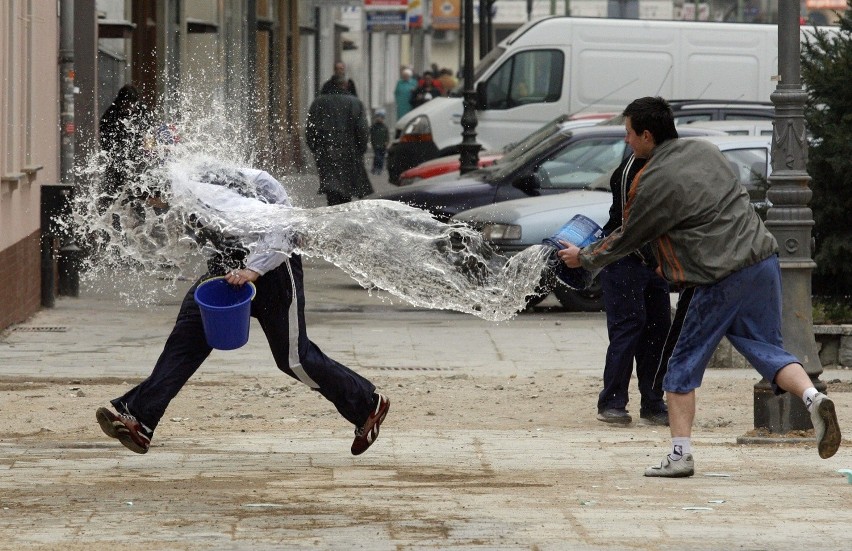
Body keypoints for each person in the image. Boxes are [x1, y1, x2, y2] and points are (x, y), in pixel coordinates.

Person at [557, 96, 842, 477]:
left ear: (646, 134)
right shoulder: (704, 150)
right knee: (764, 347)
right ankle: (812, 397)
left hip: (719, 275)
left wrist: (585, 257)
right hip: (761, 259)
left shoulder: (654, 178)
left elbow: (630, 235)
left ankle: (680, 455)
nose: (626, 141)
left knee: (680, 365)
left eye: (629, 134)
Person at [95, 164, 390, 456]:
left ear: (154, 191)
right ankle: (140, 419)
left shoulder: (206, 198)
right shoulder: (190, 180)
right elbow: (263, 180)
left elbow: (275, 225)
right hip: (229, 269)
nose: (152, 207)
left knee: (293, 359)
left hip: (273, 269)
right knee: (188, 336)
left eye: (149, 200)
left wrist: (256, 268)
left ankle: (367, 405)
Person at [595, 153, 671, 426]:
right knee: (629, 326)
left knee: (658, 329)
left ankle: (652, 402)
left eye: (629, 133)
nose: (627, 139)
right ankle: (612, 401)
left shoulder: (664, 164)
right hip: (623, 258)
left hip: (652, 259)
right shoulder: (631, 171)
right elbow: (629, 229)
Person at [306, 75, 372, 206]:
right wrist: (361, 149)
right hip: (349, 151)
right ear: (345, 85)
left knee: (332, 186)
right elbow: (362, 129)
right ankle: (343, 209)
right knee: (346, 186)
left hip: (326, 150)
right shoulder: (355, 103)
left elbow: (310, 128)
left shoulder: (318, 102)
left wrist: (314, 147)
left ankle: (334, 207)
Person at [98, 84, 150, 217]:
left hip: (138, 159)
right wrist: (118, 159)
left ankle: (141, 218)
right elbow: (106, 146)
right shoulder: (110, 117)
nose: (129, 108)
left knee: (139, 192)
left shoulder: (142, 110)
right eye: (126, 105)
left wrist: (147, 148)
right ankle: (112, 221)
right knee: (114, 194)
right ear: (120, 102)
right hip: (117, 162)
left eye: (132, 104)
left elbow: (149, 133)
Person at [369, 109, 390, 175]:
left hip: (383, 145)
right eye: (378, 117)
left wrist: (387, 142)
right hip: (376, 145)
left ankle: (379, 168)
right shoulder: (374, 127)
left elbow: (387, 136)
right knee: (378, 157)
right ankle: (376, 168)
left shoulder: (384, 127)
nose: (379, 119)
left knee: (381, 157)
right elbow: (369, 133)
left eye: (381, 117)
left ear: (383, 118)